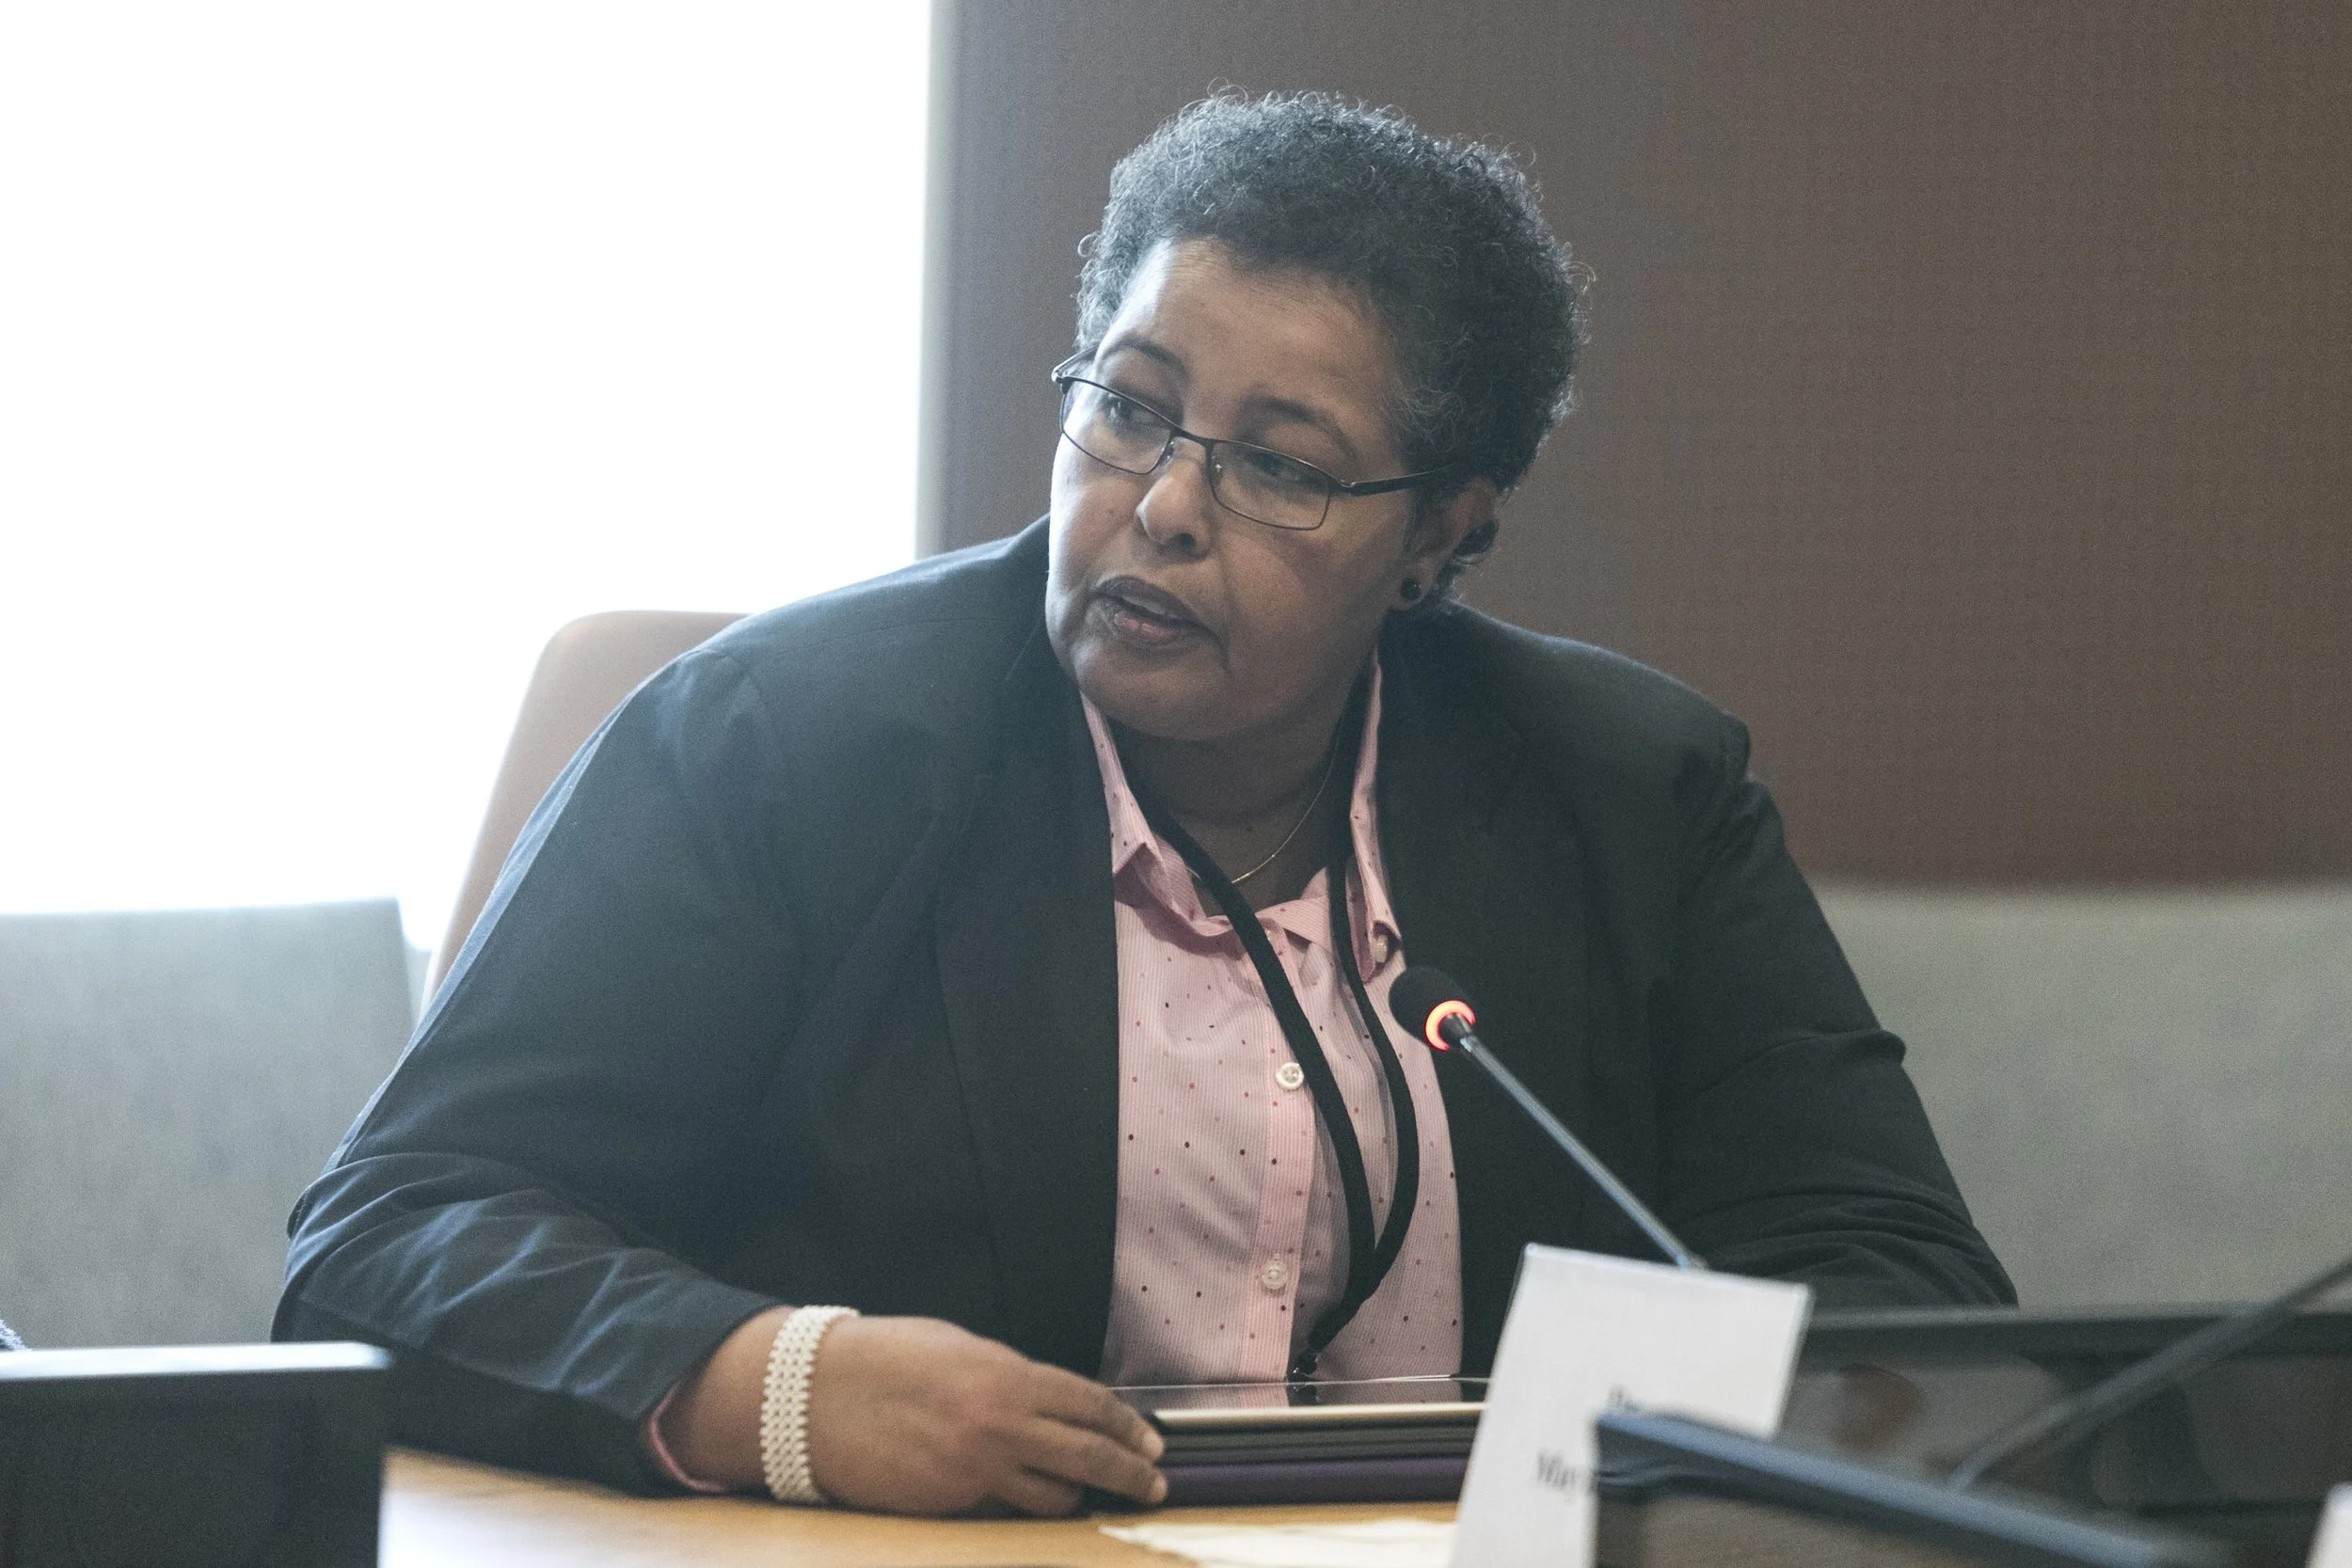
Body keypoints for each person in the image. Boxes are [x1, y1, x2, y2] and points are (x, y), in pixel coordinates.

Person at [277, 90, 2011, 1517]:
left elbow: (1902, 1292)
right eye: (1129, 408)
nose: (1165, 506)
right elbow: (391, 1237)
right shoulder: (780, 748)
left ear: (1440, 535)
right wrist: (775, 1385)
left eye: (1280, 463)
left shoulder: (1635, 795)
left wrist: (1593, 1459)